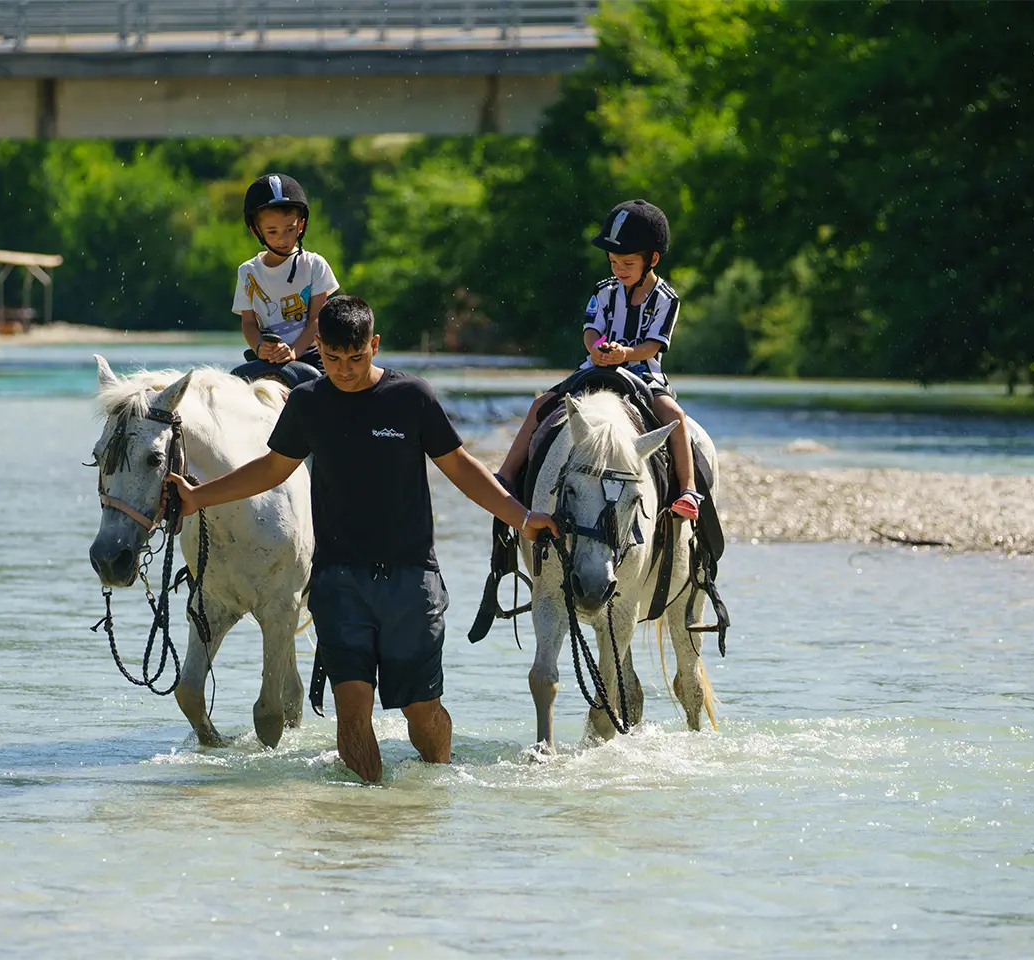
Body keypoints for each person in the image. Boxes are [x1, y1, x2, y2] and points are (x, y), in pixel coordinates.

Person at [169, 295, 558, 782]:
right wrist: (197, 497)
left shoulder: (411, 397)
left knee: (422, 714)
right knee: (352, 711)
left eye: (356, 358)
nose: (345, 370)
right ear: (320, 351)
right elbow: (271, 469)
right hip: (338, 583)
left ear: (373, 345)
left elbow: (461, 468)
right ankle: (365, 825)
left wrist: (524, 518)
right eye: (332, 359)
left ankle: (435, 792)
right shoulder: (309, 403)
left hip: (411, 580)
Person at [495, 199, 702, 519]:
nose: (618, 270)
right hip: (596, 367)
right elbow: (591, 331)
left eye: (627, 264)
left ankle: (688, 489)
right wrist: (595, 350)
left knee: (674, 415)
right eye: (613, 262)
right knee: (540, 406)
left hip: (642, 372)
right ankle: (506, 476)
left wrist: (625, 354)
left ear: (652, 259)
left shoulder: (666, 299)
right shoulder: (604, 290)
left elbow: (652, 346)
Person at [229, 173, 340, 386]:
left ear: (301, 226)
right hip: (266, 356)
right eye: (272, 231)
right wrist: (260, 348)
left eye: (290, 229)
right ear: (256, 231)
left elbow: (316, 320)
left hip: (308, 354)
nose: (283, 238)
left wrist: (293, 352)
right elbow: (249, 323)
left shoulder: (314, 265)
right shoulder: (247, 272)